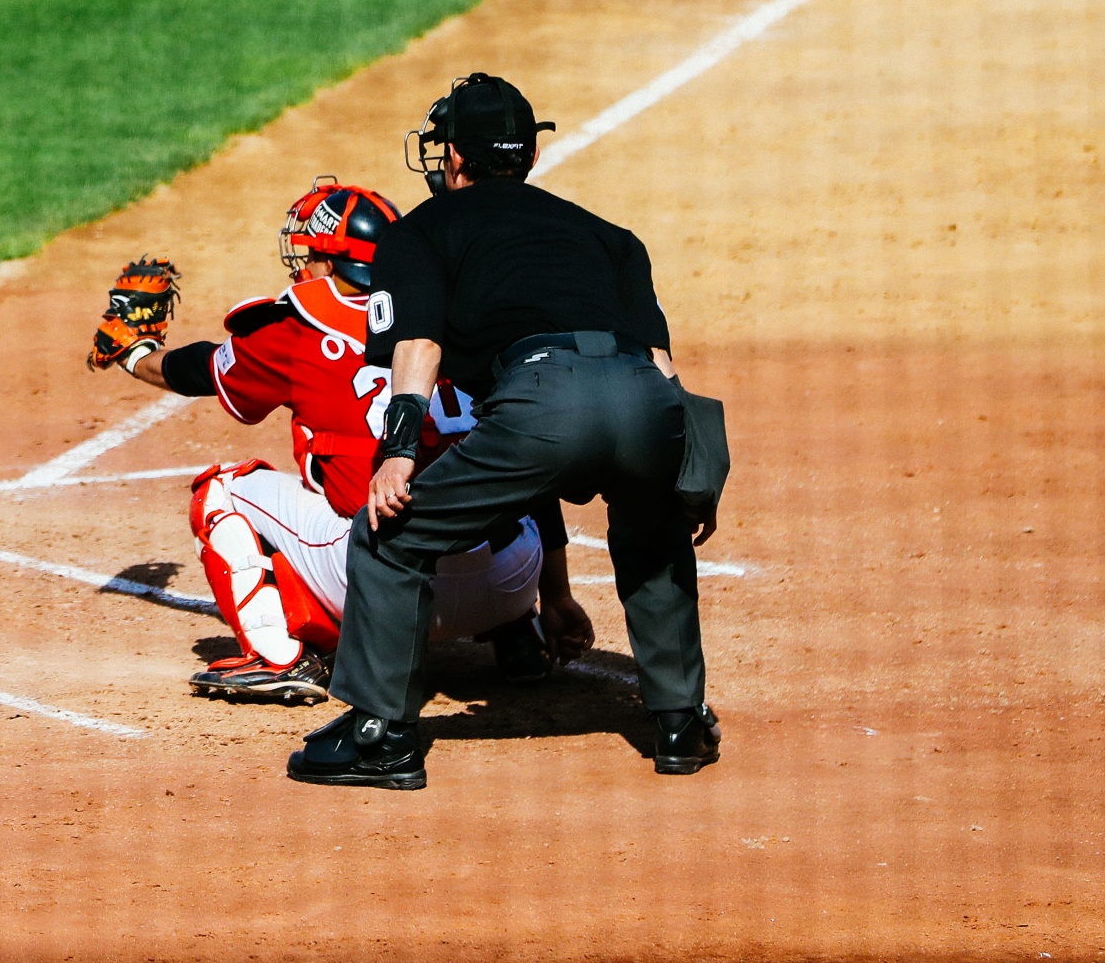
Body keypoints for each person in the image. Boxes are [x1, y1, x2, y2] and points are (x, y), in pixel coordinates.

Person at [286, 73, 718, 790]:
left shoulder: (421, 230)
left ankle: (380, 736)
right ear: (531, 156)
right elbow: (661, 366)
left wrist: (397, 455)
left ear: (454, 156)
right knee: (654, 534)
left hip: (543, 404)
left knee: (391, 538)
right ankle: (681, 722)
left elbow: (417, 348)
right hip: (645, 405)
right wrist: (693, 477)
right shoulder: (610, 236)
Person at [87, 182, 591, 704]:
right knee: (510, 453)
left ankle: (279, 657)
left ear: (332, 263)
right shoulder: (463, 308)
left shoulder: (300, 326)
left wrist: (134, 353)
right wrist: (557, 595)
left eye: (311, 256)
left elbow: (198, 369)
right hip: (510, 578)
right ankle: (519, 632)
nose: (302, 266)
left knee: (221, 491)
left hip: (388, 588)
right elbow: (531, 463)